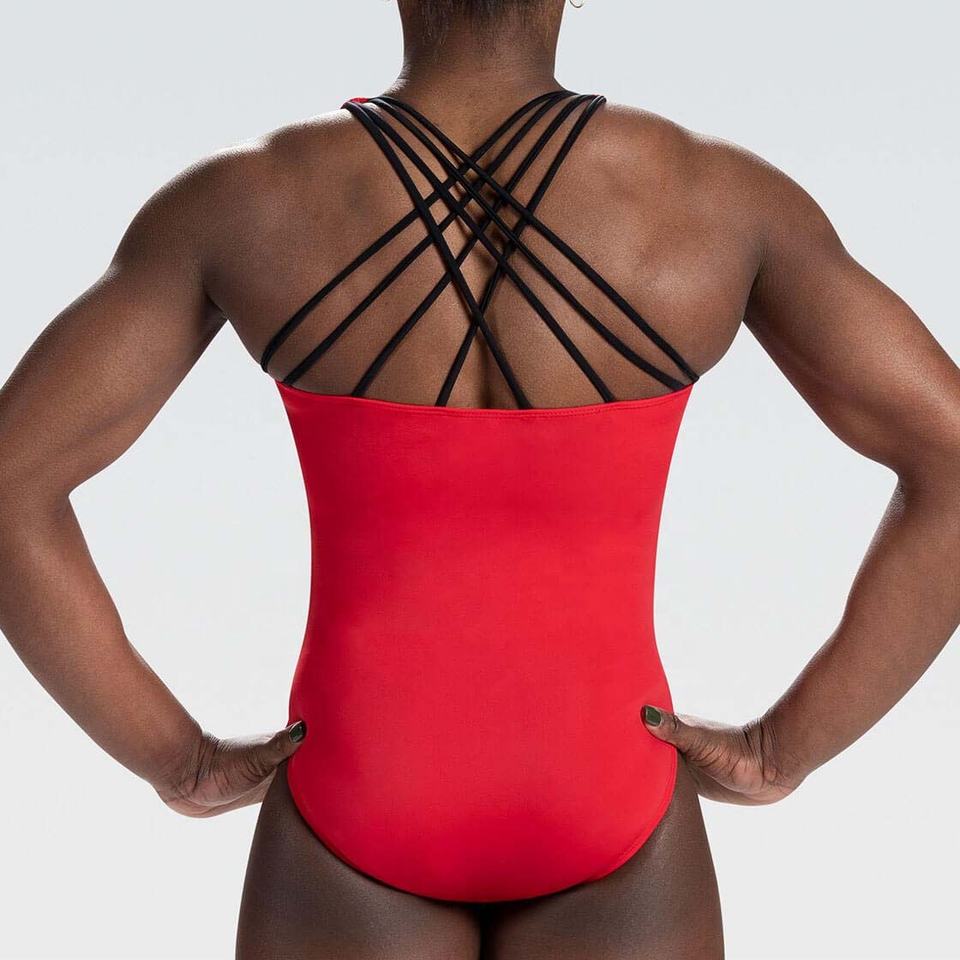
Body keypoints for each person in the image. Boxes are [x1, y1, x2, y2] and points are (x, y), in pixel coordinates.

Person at [1, 1, 958, 957]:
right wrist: (782, 752)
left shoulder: (250, 199)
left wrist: (177, 761)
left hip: (359, 784)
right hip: (609, 782)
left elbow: (12, 478)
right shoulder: (716, 201)